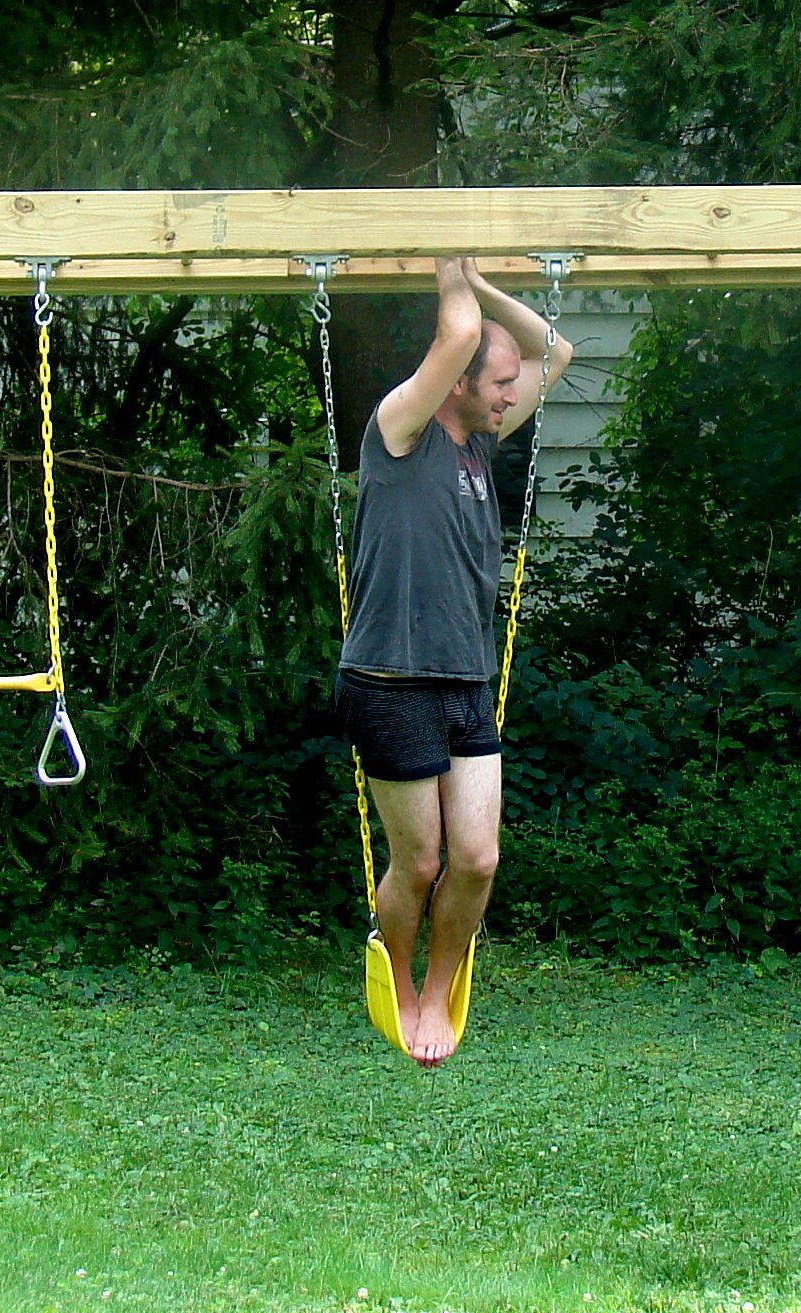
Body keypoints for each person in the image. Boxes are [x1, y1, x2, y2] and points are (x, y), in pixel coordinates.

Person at [335, 258, 574, 1065]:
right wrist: (450, 272)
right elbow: (462, 331)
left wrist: (482, 275)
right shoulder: (399, 429)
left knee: (475, 859)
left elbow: (555, 352)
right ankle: (400, 982)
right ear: (458, 381)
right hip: (389, 680)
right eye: (498, 382)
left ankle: (440, 988)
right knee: (422, 859)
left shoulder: (480, 442)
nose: (514, 393)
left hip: (465, 683)